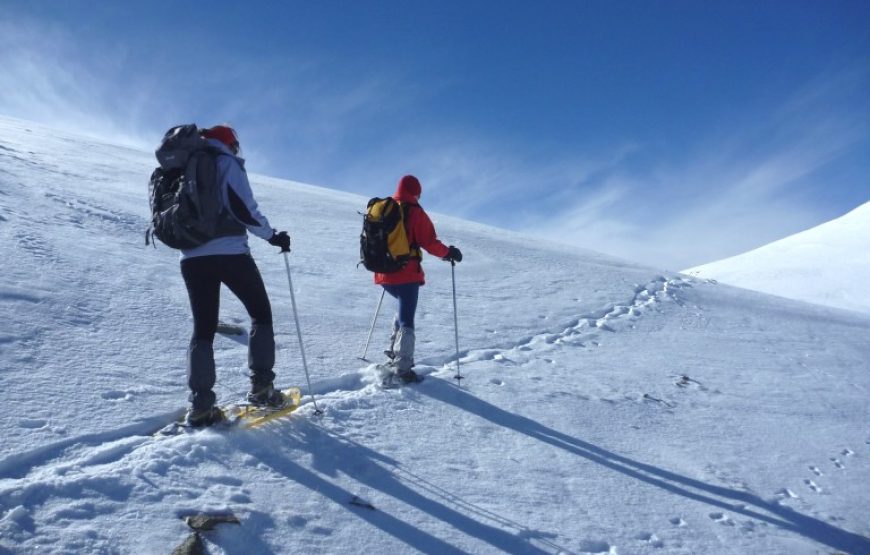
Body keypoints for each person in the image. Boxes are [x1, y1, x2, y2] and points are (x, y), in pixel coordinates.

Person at [180, 124, 292, 427]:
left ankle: (201, 405)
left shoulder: (184, 166)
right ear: (230, 144)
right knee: (261, 315)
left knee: (202, 329)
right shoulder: (225, 162)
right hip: (229, 253)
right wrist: (272, 236)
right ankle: (262, 389)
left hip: (191, 258)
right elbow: (243, 207)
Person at [374, 175, 463, 383]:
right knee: (407, 320)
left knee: (402, 312)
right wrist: (448, 253)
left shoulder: (385, 208)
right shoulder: (414, 212)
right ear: (415, 192)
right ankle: (403, 370)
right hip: (405, 275)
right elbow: (429, 242)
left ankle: (394, 355)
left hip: (383, 273)